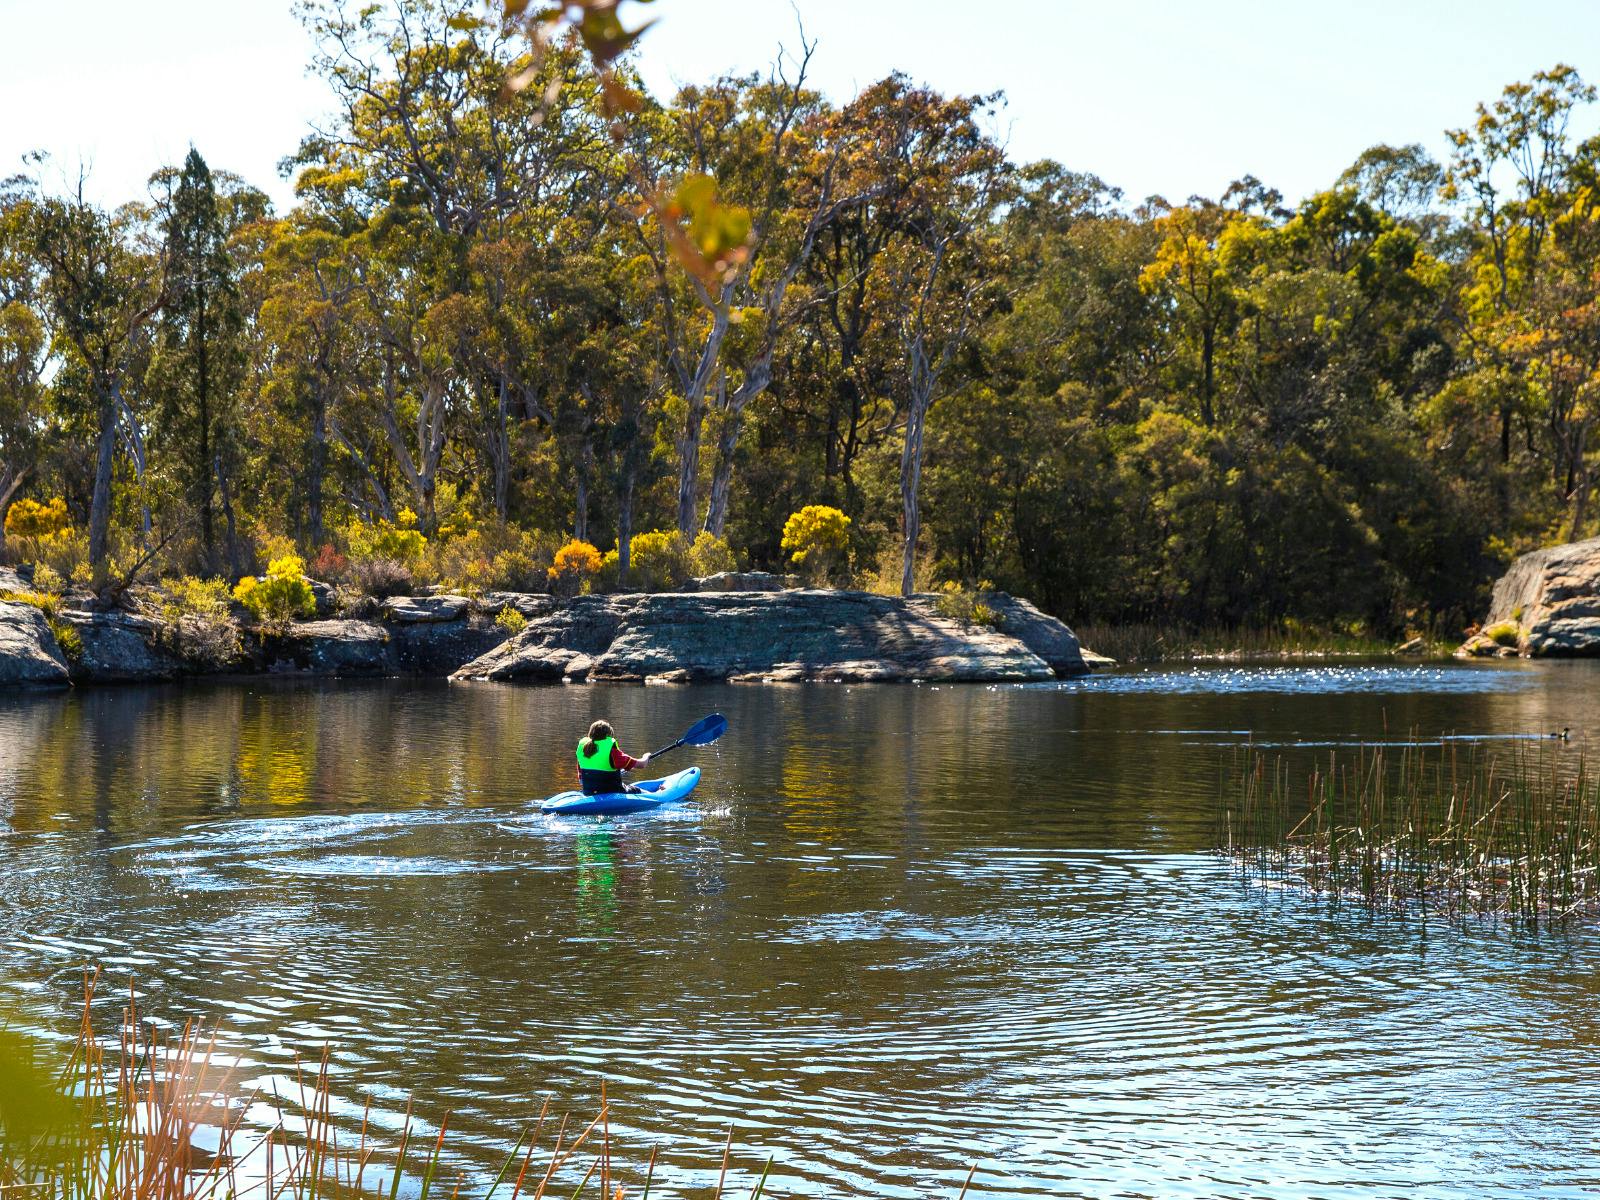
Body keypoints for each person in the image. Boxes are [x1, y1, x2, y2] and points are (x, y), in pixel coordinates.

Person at [575, 719, 651, 795]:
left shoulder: (583, 750)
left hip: (589, 792)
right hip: (613, 792)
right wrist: (646, 756)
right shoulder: (612, 751)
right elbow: (642, 764)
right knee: (639, 791)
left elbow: (581, 778)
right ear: (608, 735)